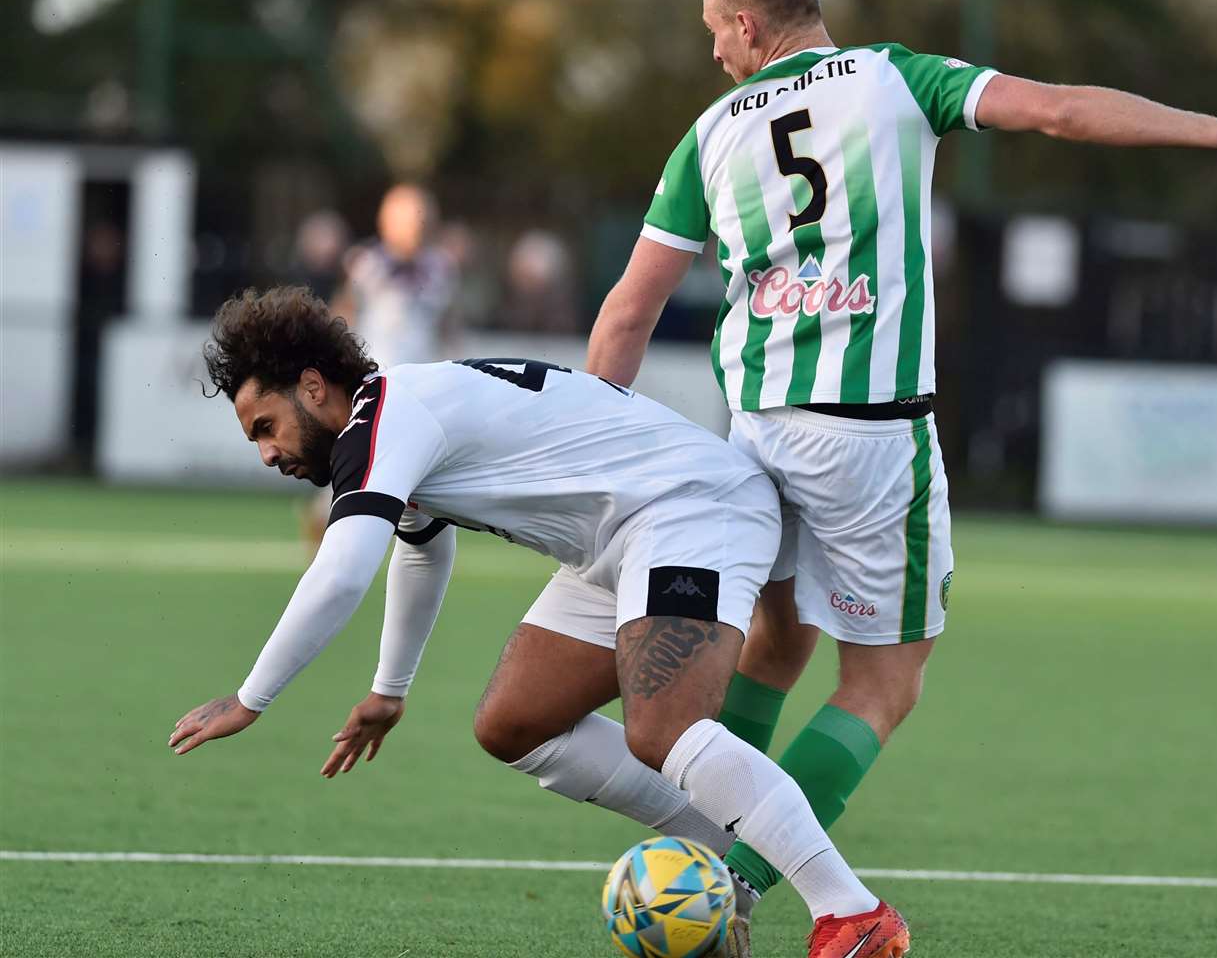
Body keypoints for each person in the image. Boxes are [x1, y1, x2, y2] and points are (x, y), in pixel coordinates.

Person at [584, 0, 1217, 956]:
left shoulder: (706, 136)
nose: (714, 52)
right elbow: (1061, 109)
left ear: (747, 25)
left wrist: (587, 459)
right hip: (869, 439)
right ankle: (742, 880)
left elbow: (625, 317)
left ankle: (709, 856)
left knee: (777, 639)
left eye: (714, 31)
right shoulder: (895, 79)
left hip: (749, 439)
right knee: (882, 685)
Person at [168, 286, 912, 958]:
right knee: (513, 722)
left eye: (266, 426)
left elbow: (340, 573)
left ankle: (852, 915)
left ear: (311, 386)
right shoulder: (392, 421)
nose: (267, 452)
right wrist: (389, 690)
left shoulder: (383, 419)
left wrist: (250, 697)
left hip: (689, 507)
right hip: (616, 539)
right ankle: (726, 845)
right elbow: (422, 552)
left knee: (664, 732)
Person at [334, 183, 455, 369]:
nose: (415, 227)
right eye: (406, 220)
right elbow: (344, 315)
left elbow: (449, 325)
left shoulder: (441, 267)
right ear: (386, 221)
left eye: (421, 218)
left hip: (425, 374)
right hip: (375, 372)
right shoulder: (367, 263)